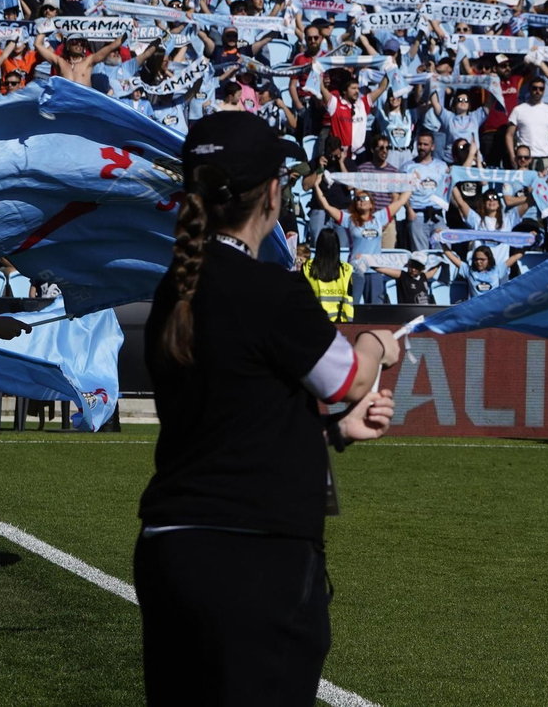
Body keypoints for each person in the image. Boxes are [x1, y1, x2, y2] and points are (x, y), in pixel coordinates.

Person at [134, 110, 401, 705]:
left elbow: (229, 402)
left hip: (170, 550)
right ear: (273, 194)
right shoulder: (271, 290)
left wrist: (331, 429)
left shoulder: (173, 289)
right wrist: (378, 343)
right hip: (256, 555)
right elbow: (353, 380)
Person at [302, 228, 354, 322]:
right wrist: (350, 324)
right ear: (337, 246)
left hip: (313, 321)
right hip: (339, 322)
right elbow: (348, 300)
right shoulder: (346, 269)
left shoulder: (306, 267)